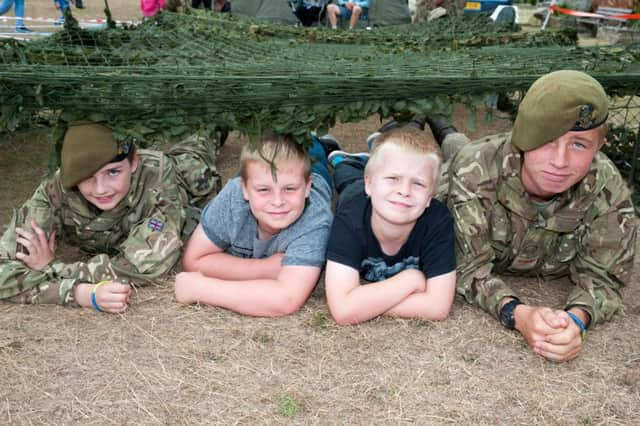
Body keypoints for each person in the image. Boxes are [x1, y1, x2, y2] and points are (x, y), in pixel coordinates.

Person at [438, 70, 638, 362]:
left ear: (598, 148)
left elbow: (604, 276)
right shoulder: (474, 169)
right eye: (547, 140)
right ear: (523, 135)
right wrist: (517, 314)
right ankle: (438, 128)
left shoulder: (607, 188)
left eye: (579, 144)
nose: (560, 161)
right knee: (438, 157)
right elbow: (467, 268)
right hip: (458, 166)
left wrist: (576, 320)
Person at [0, 121, 220, 313]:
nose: (101, 189)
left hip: (186, 173)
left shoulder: (158, 177)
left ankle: (216, 128)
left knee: (199, 141)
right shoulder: (53, 191)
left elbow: (145, 265)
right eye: (86, 177)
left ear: (133, 162)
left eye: (113, 172)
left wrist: (53, 267)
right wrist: (78, 293)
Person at [174, 133, 333, 317]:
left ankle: (316, 140)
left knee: (311, 150)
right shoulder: (234, 196)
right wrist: (267, 268)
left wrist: (201, 289)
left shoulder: (315, 219)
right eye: (264, 190)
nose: (278, 201)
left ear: (306, 188)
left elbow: (286, 299)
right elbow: (194, 260)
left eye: (289, 189)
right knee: (257, 166)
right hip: (259, 172)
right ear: (244, 190)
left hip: (314, 172)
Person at [323, 127, 457, 325]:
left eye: (418, 184)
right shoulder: (350, 218)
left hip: (377, 194)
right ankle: (345, 161)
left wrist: (361, 306)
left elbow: (438, 307)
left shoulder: (437, 221)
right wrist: (411, 279)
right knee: (348, 179)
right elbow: (342, 311)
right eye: (393, 178)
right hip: (356, 193)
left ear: (429, 197)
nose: (404, 191)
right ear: (369, 184)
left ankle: (374, 158)